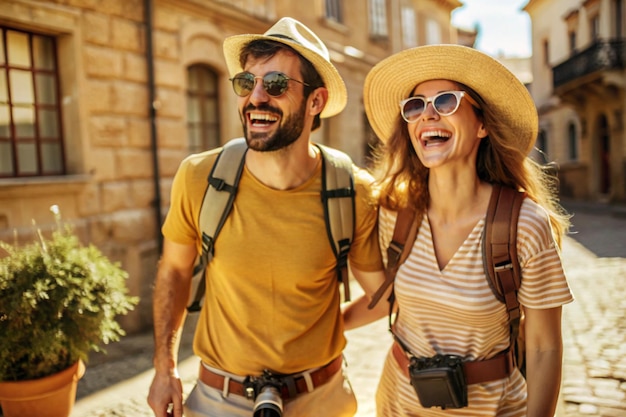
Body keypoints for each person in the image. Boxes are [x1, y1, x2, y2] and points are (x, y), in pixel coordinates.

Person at [147, 17, 386, 417]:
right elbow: (174, 271)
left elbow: (383, 296)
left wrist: (327, 326)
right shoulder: (198, 177)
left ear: (316, 102)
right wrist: (164, 368)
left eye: (275, 84)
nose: (256, 97)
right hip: (218, 400)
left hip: (321, 399)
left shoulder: (351, 189)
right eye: (246, 83)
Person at [346, 44, 575, 416]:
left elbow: (544, 346)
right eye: (416, 105)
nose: (428, 115)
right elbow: (394, 299)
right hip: (396, 405)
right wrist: (326, 327)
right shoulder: (394, 212)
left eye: (447, 101)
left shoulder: (524, 224)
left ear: (482, 124)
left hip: (493, 408)